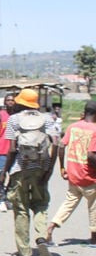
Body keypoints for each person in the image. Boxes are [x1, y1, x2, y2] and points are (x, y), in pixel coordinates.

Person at [0, 89, 59, 256]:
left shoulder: (14, 119)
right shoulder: (47, 118)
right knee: (41, 204)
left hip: (20, 169)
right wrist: (49, 168)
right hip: (41, 168)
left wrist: (4, 172)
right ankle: (41, 237)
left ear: (20, 102)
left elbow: (11, 149)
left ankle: (24, 251)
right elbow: (56, 144)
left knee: (21, 209)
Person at [45, 101, 96, 245]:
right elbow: (91, 156)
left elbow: (61, 146)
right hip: (89, 177)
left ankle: (51, 227)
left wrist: (62, 167)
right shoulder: (95, 130)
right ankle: (94, 238)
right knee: (94, 206)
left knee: (68, 204)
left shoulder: (73, 127)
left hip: (73, 174)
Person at [0, 93, 16, 212]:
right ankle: (1, 199)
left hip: (14, 151)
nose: (10, 102)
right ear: (5, 102)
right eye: (8, 100)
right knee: (1, 175)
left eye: (12, 100)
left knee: (14, 175)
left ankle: (6, 196)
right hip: (1, 150)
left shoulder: (17, 116)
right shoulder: (0, 115)